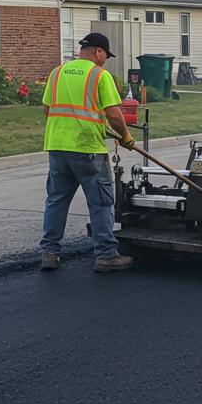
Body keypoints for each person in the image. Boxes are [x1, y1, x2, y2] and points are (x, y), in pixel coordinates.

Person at [39, 32, 137, 273]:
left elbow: (47, 108)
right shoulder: (99, 75)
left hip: (58, 147)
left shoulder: (58, 72)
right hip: (87, 149)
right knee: (101, 202)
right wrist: (125, 137)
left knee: (56, 201)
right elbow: (114, 114)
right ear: (98, 52)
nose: (105, 60)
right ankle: (106, 255)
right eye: (105, 55)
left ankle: (49, 254)